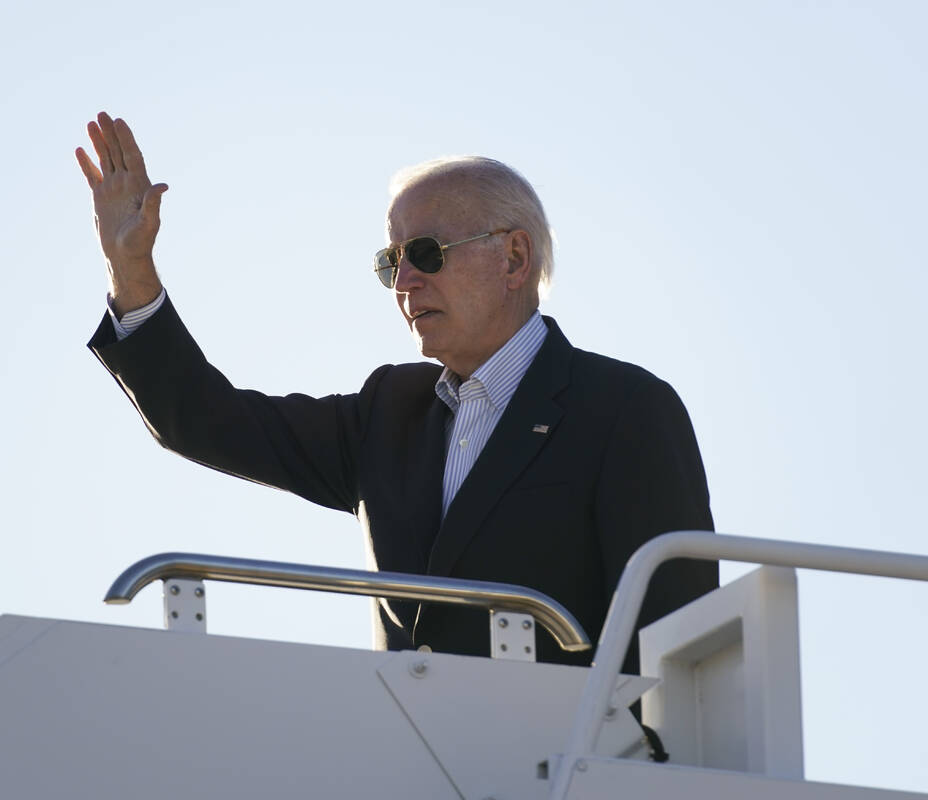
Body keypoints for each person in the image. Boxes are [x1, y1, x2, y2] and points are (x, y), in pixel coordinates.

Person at [79, 111, 717, 674]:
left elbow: (673, 633)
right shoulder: (389, 411)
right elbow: (206, 420)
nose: (404, 281)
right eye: (391, 262)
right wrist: (129, 270)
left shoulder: (623, 406)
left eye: (426, 252)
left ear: (515, 259)